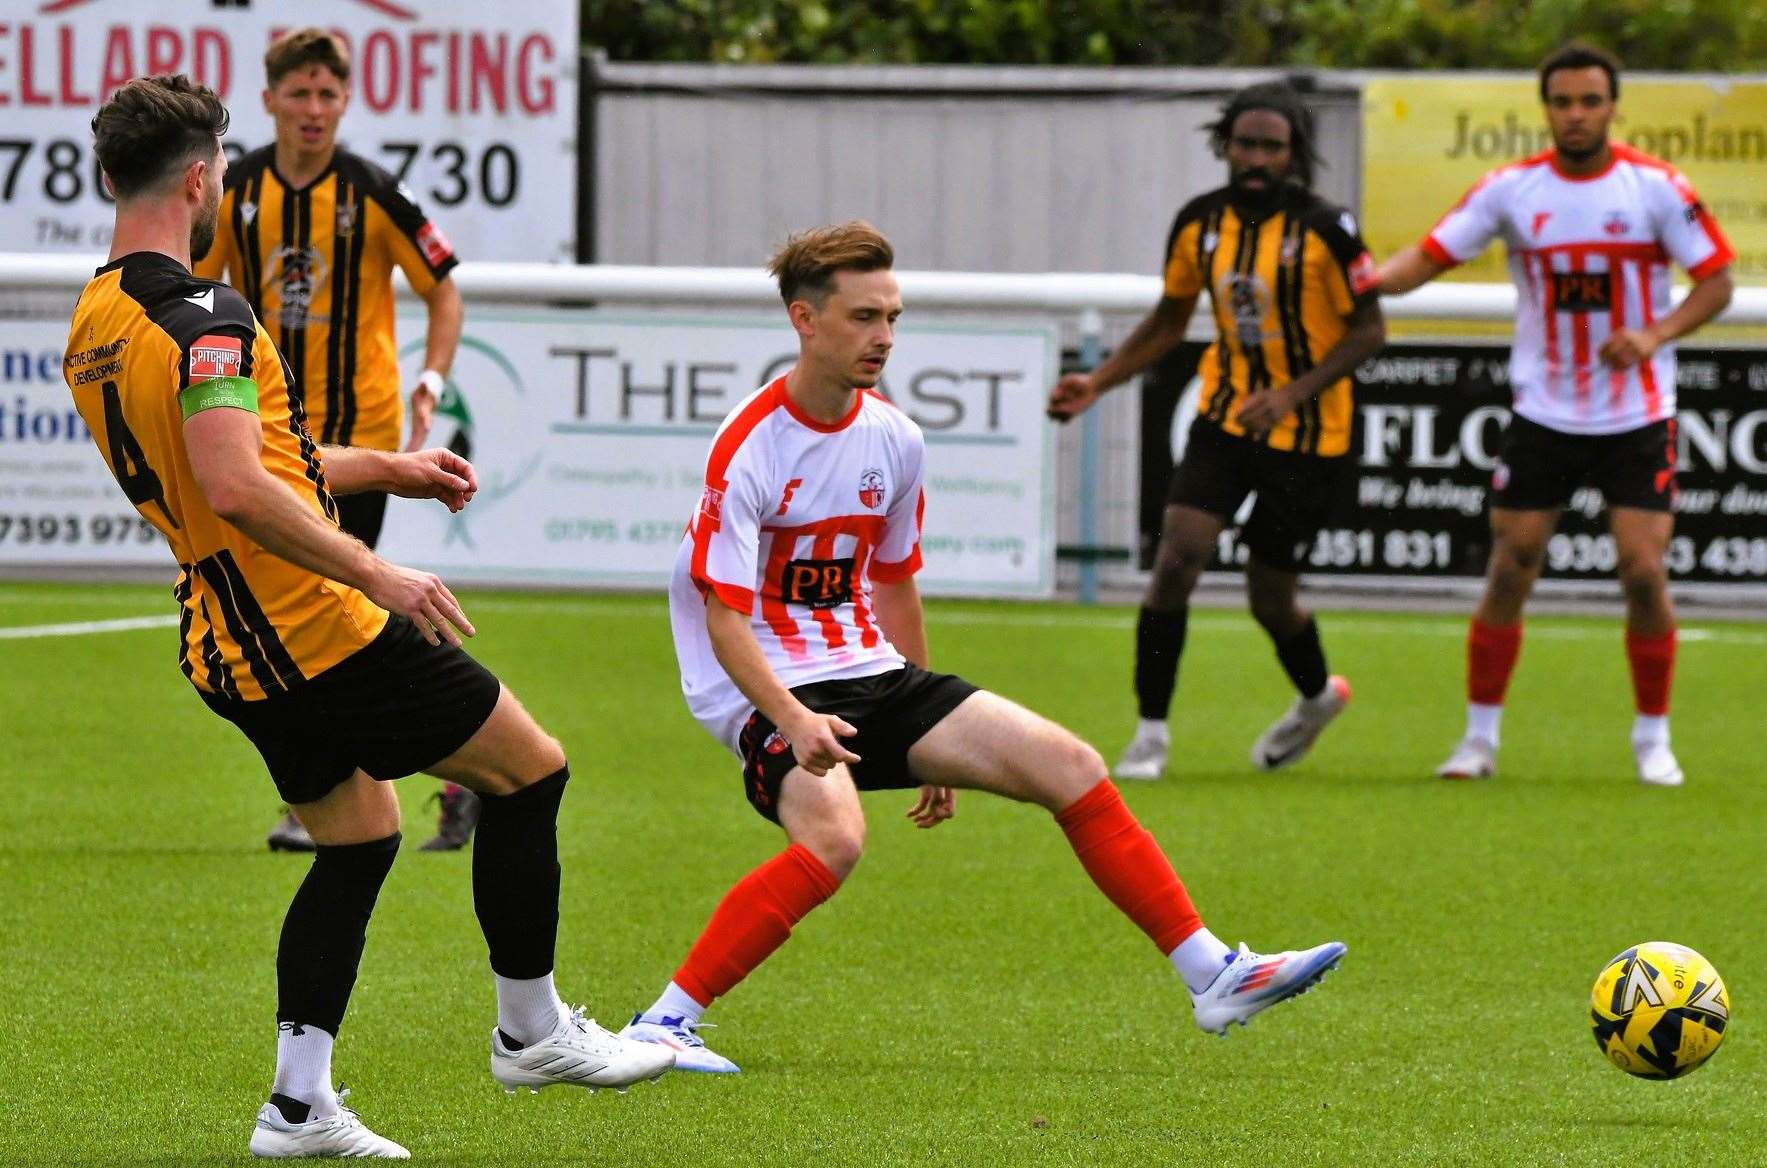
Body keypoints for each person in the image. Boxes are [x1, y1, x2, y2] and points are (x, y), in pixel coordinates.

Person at [68, 75, 672, 1159]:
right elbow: (238, 487)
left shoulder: (97, 317)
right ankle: (531, 1027)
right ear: (204, 179)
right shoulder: (207, 314)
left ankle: (298, 1105)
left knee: (359, 835)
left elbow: (249, 459)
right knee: (531, 770)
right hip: (309, 624)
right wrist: (377, 573)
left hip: (222, 634)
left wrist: (389, 464)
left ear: (111, 176)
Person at [616, 221, 1345, 1074]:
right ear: (803, 320)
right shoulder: (747, 447)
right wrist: (790, 717)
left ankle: (1212, 972)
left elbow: (892, 583)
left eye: (893, 315)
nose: (883, 336)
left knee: (1070, 764)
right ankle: (663, 1022)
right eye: (861, 317)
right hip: (759, 686)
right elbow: (724, 620)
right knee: (836, 839)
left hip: (869, 669)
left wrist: (927, 738)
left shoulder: (895, 438)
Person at [1376, 45, 1734, 786]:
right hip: (1543, 412)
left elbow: (1716, 282)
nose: (1575, 114)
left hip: (1635, 413)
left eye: (1589, 101)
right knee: (1510, 567)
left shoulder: (1654, 188)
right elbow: (1428, 257)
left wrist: (1654, 334)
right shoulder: (1511, 189)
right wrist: (1368, 279)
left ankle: (1651, 739)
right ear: (1546, 109)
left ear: (1612, 107)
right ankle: (1477, 740)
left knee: (1641, 571)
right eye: (1562, 102)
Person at [1047, 83, 1387, 782]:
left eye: (1272, 146)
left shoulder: (1329, 227)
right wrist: (1098, 380)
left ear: (1294, 153)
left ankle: (1317, 697)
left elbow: (1369, 329)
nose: (1256, 159)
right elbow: (1169, 320)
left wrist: (1292, 393)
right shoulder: (1200, 222)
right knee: (1177, 558)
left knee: (1269, 593)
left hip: (1312, 436)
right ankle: (1149, 735)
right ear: (1224, 146)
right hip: (1225, 419)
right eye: (1245, 144)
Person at [193, 28, 477, 853]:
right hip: (272, 440)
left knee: (335, 605)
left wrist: (430, 380)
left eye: (328, 95)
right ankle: (419, 776)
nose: (314, 110)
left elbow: (443, 289)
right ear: (270, 98)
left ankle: (359, 789)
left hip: (361, 440)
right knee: (328, 608)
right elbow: (198, 288)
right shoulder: (236, 189)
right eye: (300, 92)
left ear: (344, 102)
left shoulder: (373, 192)